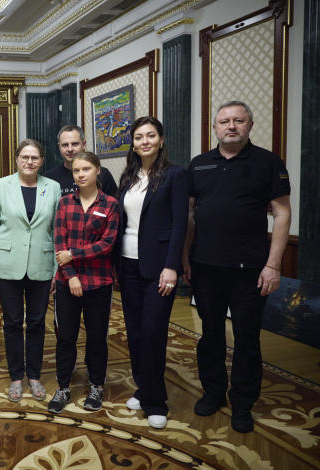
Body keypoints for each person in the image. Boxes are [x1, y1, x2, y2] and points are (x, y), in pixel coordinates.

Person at [182, 101, 291, 433]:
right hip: (205, 267)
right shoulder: (199, 164)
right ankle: (213, 392)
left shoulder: (268, 163)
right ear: (214, 127)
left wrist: (273, 266)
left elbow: (283, 214)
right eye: (224, 121)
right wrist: (185, 258)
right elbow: (189, 215)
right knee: (210, 333)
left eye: (238, 121)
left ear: (249, 125)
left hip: (250, 270)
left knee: (247, 336)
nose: (231, 126)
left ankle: (243, 402)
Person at [116, 117, 188, 428]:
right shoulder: (129, 176)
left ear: (160, 140)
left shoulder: (175, 175)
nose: (145, 141)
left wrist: (171, 266)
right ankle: (144, 389)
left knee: (153, 332)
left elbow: (179, 224)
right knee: (133, 332)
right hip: (127, 264)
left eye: (151, 135)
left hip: (159, 266)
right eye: (139, 137)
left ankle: (156, 401)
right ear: (132, 143)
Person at [0, 139, 60, 402]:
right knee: (13, 322)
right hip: (8, 266)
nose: (29, 162)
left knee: (37, 322)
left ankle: (34, 375)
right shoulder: (1, 186)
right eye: (25, 157)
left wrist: (57, 270)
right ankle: (16, 377)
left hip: (42, 264)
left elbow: (58, 231)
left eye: (34, 157)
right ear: (16, 159)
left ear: (41, 161)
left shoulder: (53, 187)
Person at [47, 152, 120, 414]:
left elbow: (107, 243)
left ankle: (96, 385)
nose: (81, 174)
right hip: (68, 281)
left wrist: (74, 255)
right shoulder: (65, 202)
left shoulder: (110, 204)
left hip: (99, 282)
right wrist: (72, 275)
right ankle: (63, 385)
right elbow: (59, 242)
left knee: (97, 337)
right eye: (77, 170)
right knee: (65, 337)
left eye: (86, 169)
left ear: (98, 170)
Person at [46, 125, 118, 198]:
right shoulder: (50, 178)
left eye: (75, 144)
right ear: (59, 147)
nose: (70, 149)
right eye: (65, 145)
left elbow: (114, 205)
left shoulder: (102, 174)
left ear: (83, 145)